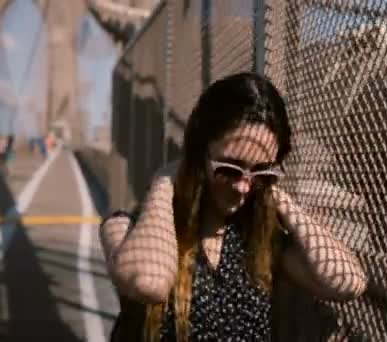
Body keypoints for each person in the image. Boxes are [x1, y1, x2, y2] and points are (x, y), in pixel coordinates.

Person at [100, 72, 368, 341]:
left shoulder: (260, 243)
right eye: (229, 169)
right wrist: (166, 180)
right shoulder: (125, 227)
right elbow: (148, 282)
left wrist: (275, 193)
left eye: (261, 171)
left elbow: (347, 282)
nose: (243, 187)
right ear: (199, 155)